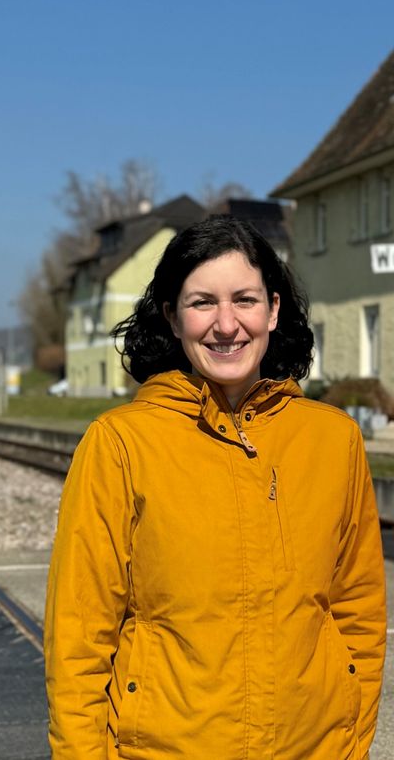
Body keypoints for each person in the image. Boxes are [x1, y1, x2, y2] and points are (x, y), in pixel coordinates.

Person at [44, 216, 386, 760]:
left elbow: (358, 612)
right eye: (202, 302)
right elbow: (78, 639)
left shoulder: (333, 440)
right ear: (172, 318)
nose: (226, 325)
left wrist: (350, 738)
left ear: (273, 311)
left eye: (244, 300)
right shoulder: (119, 445)